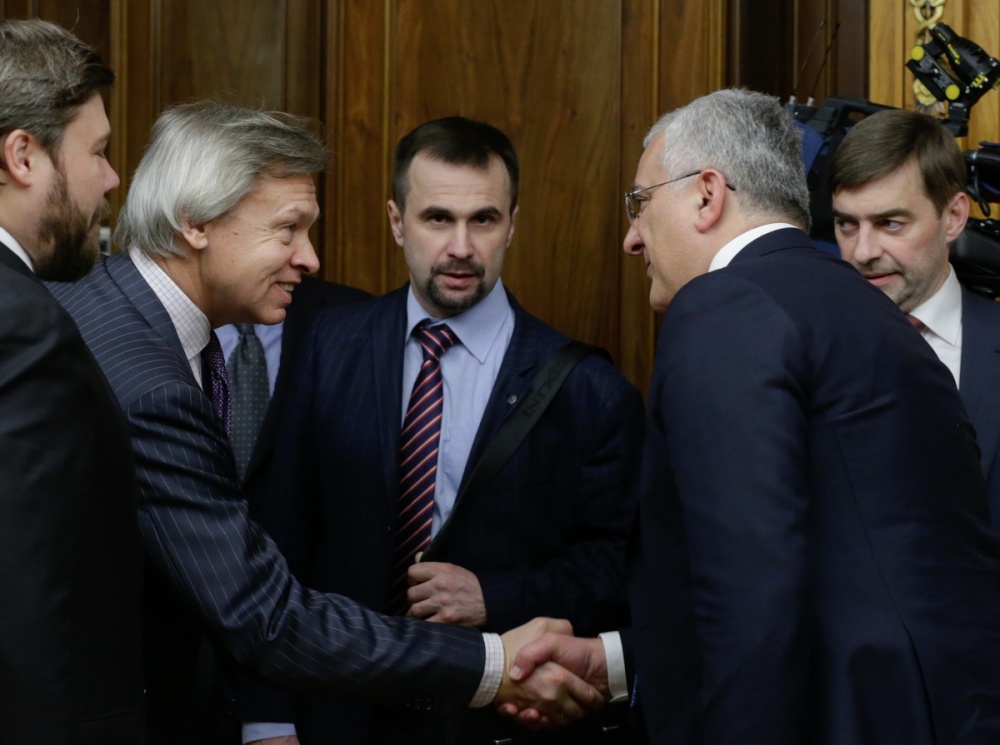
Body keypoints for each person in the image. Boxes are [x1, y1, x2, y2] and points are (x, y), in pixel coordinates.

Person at [47, 102, 603, 744]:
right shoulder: (154, 383)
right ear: (195, 223)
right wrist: (493, 664)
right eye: (288, 230)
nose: (310, 259)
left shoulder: (95, 301)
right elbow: (264, 614)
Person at [507, 88, 1000, 744]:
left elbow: (752, 590)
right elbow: (849, 567)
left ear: (707, 195)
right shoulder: (870, 313)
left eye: (640, 202)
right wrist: (622, 661)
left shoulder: (725, 303)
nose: (631, 236)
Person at [244, 115, 644, 745]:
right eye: (437, 218)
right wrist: (266, 720)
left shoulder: (585, 386)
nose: (461, 247)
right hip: (338, 713)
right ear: (397, 221)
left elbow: (620, 567)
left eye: (483, 219)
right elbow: (277, 536)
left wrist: (496, 597)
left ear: (512, 225)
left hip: (498, 719)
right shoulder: (327, 345)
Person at [0, 19, 142, 743]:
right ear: (23, 154)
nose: (112, 179)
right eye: (99, 151)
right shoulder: (23, 323)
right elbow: (23, 588)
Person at [829, 108, 1000, 527]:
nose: (862, 252)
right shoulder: (805, 349)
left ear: (954, 217)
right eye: (846, 224)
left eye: (890, 223)